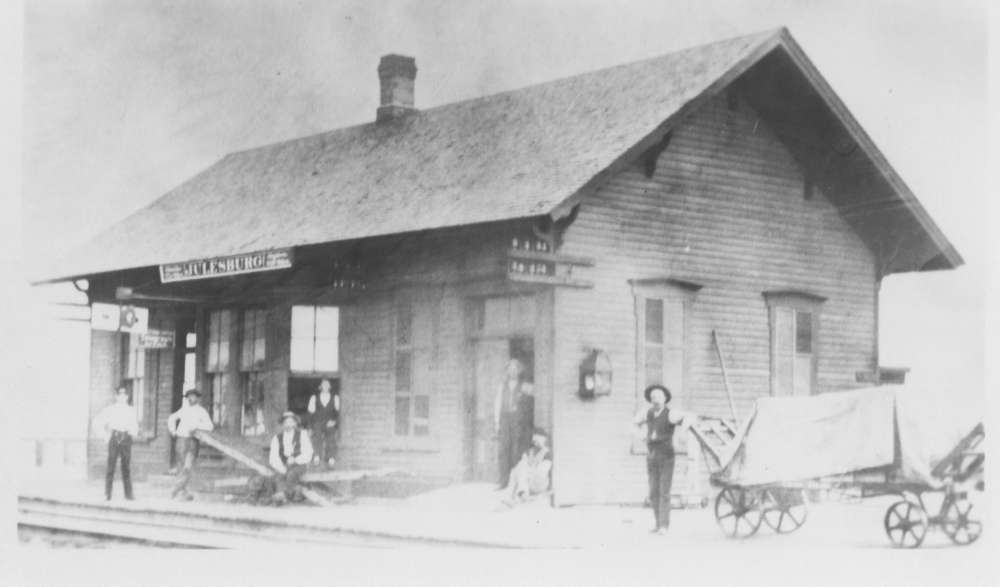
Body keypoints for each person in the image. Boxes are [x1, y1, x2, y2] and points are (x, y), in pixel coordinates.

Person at [634, 384, 695, 534]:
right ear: (650, 399)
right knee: (653, 492)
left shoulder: (670, 413)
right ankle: (657, 524)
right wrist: (641, 436)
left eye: (659, 396)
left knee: (664, 492)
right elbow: (634, 424)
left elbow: (690, 416)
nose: (656, 399)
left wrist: (682, 432)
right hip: (651, 456)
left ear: (665, 398)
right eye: (653, 396)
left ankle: (664, 526)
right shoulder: (646, 413)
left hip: (666, 456)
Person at [167, 388, 214, 501]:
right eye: (189, 397)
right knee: (181, 466)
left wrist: (197, 427)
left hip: (193, 441)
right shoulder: (184, 410)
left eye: (194, 397)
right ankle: (184, 492)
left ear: (197, 398)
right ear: (187, 398)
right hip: (181, 440)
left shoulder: (201, 411)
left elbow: (210, 426)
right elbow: (171, 418)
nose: (191, 399)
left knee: (188, 467)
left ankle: (175, 490)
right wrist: (173, 431)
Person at [93, 386, 138, 501]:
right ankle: (107, 494)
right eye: (120, 394)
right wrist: (105, 436)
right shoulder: (110, 409)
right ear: (116, 396)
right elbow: (97, 422)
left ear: (127, 396)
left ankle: (129, 495)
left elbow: (134, 426)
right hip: (114, 438)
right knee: (111, 467)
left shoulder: (131, 410)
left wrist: (131, 435)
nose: (122, 397)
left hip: (125, 439)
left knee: (126, 467)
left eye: (124, 394)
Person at [494, 359, 532, 487]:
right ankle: (503, 482)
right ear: (507, 371)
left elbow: (529, 404)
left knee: (516, 451)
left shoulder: (525, 385)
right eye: (510, 369)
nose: (512, 371)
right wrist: (497, 423)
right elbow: (498, 404)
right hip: (505, 420)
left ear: (519, 371)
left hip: (518, 421)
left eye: (515, 369)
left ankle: (515, 483)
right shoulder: (502, 386)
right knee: (503, 450)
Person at [268, 411, 314, 504]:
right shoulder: (277, 438)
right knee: (279, 475)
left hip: (299, 465)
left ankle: (284, 495)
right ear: (282, 424)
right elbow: (273, 457)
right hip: (284, 465)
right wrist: (281, 468)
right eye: (285, 422)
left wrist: (296, 460)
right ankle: (282, 495)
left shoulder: (302, 435)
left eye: (290, 422)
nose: (288, 425)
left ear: (294, 423)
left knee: (291, 474)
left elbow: (308, 452)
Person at [503, 428, 552, 505]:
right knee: (516, 469)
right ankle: (511, 496)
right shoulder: (531, 451)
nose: (535, 443)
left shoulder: (547, 453)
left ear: (544, 439)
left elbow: (541, 473)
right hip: (528, 482)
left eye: (538, 440)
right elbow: (522, 465)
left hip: (539, 483)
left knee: (523, 467)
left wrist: (530, 469)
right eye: (534, 440)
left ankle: (522, 493)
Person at [307, 378, 339, 468]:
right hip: (318, 422)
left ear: (330, 387)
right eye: (323, 385)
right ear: (320, 387)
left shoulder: (335, 398)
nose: (325, 387)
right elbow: (310, 413)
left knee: (331, 439)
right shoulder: (314, 398)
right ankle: (317, 457)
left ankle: (331, 458)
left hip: (330, 422)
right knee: (317, 439)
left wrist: (334, 421)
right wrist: (309, 427)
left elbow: (339, 413)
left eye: (327, 385)